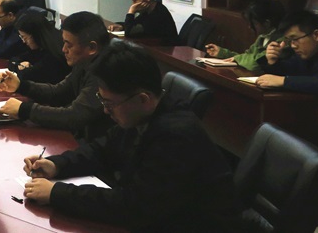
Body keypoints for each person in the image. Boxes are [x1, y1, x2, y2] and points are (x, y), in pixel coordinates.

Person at [21, 41, 242, 232]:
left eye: (109, 103)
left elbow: (134, 207)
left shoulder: (176, 136)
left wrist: (57, 193)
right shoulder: (143, 114)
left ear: (143, 99)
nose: (105, 110)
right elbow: (102, 149)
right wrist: (56, 164)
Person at [0, 11, 113, 140]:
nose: (63, 49)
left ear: (91, 48)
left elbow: (74, 116)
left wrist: (24, 110)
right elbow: (58, 92)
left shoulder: (104, 73)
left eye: (69, 45)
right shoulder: (84, 63)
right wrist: (20, 86)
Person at [205, 0, 286, 71]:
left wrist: (238, 58)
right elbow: (246, 56)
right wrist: (222, 53)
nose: (250, 27)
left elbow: (255, 64)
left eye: (254, 23)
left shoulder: (281, 41)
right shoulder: (262, 37)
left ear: (266, 23)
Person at [8, 10, 70, 84]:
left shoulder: (53, 54)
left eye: (24, 37)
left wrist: (22, 68)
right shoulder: (40, 46)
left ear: (35, 35)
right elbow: (13, 60)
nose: (24, 41)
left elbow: (25, 75)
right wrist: (19, 65)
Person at [108, 0, 178, 45]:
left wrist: (131, 11)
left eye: (135, 0)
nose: (133, 4)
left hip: (166, 51)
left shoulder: (158, 14)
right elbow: (135, 24)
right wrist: (121, 26)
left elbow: (129, 33)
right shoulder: (148, 11)